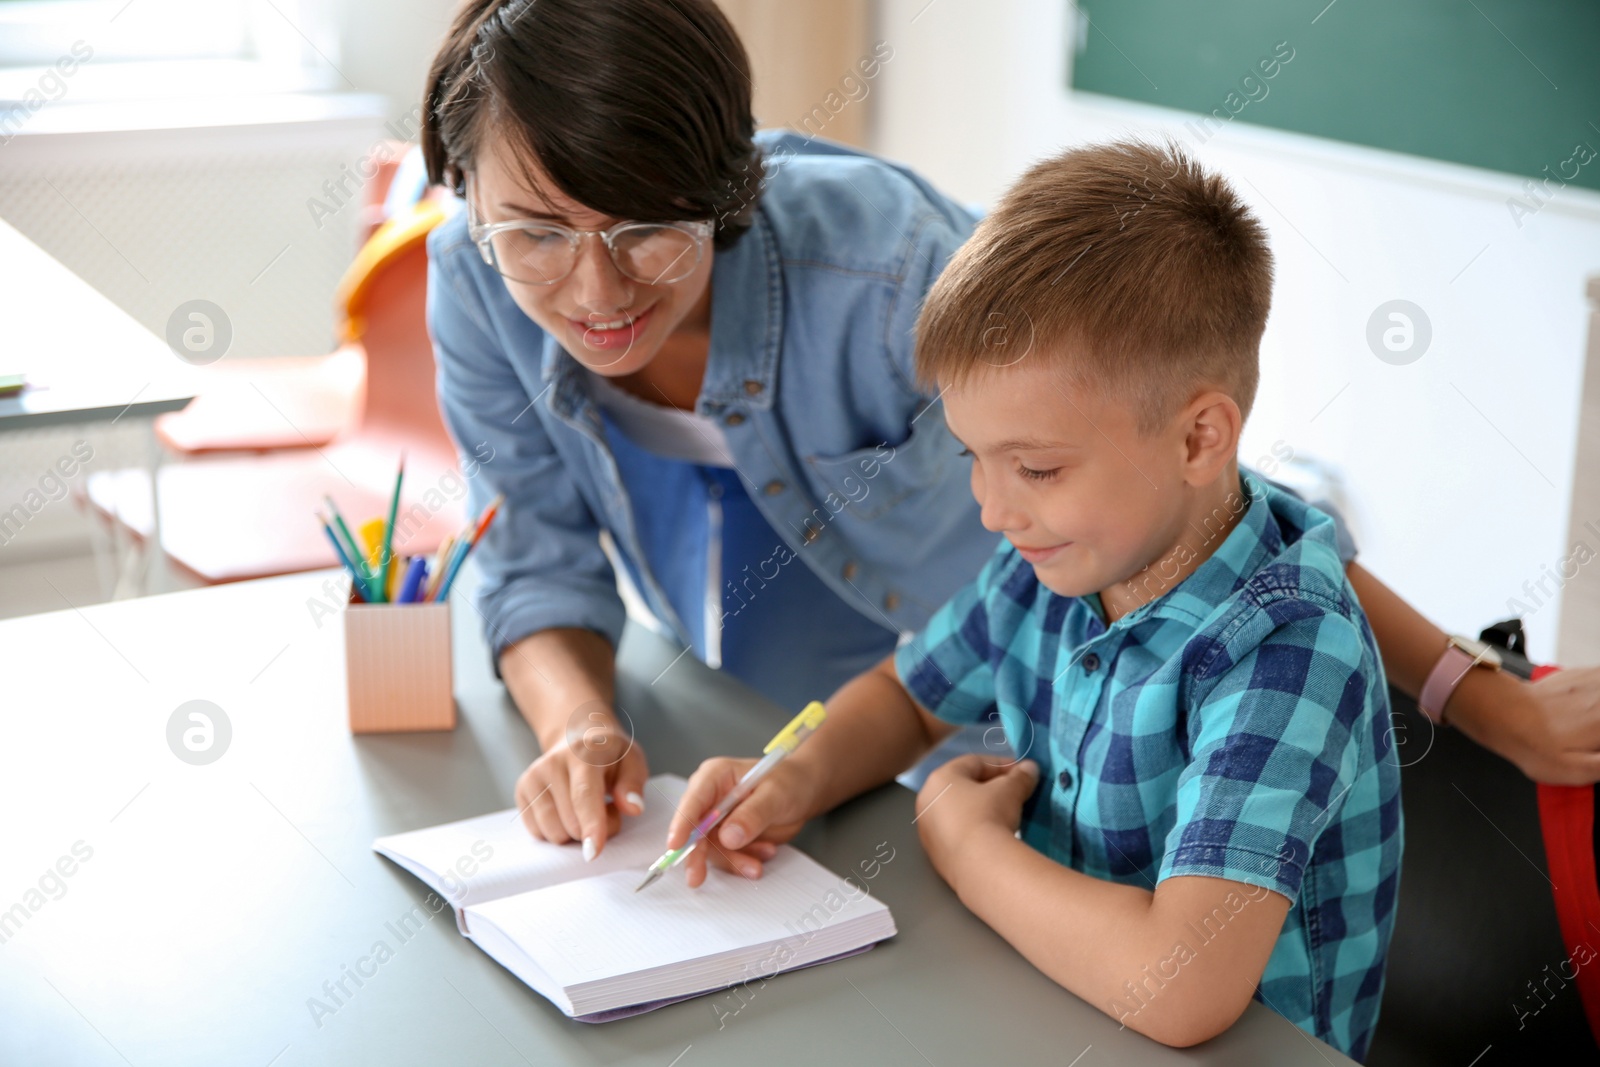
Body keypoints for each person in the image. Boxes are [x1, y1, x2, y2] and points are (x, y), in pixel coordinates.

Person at [419, 0, 1600, 866]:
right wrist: (584, 724)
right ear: (468, 201)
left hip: (1044, 760)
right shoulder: (471, 279)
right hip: (859, 728)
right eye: (530, 232)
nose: (593, 291)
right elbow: (537, 555)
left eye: (643, 229)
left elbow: (1229, 522)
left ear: (723, 187)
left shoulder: (889, 269)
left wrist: (1490, 701)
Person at [667, 140, 1401, 1058]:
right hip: (1054, 1001)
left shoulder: (1287, 647)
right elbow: (906, 696)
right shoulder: (1055, 561)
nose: (990, 505)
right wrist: (794, 776)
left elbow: (1182, 987)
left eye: (1038, 468)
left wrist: (966, 845)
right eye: (974, 456)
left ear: (1200, 439)